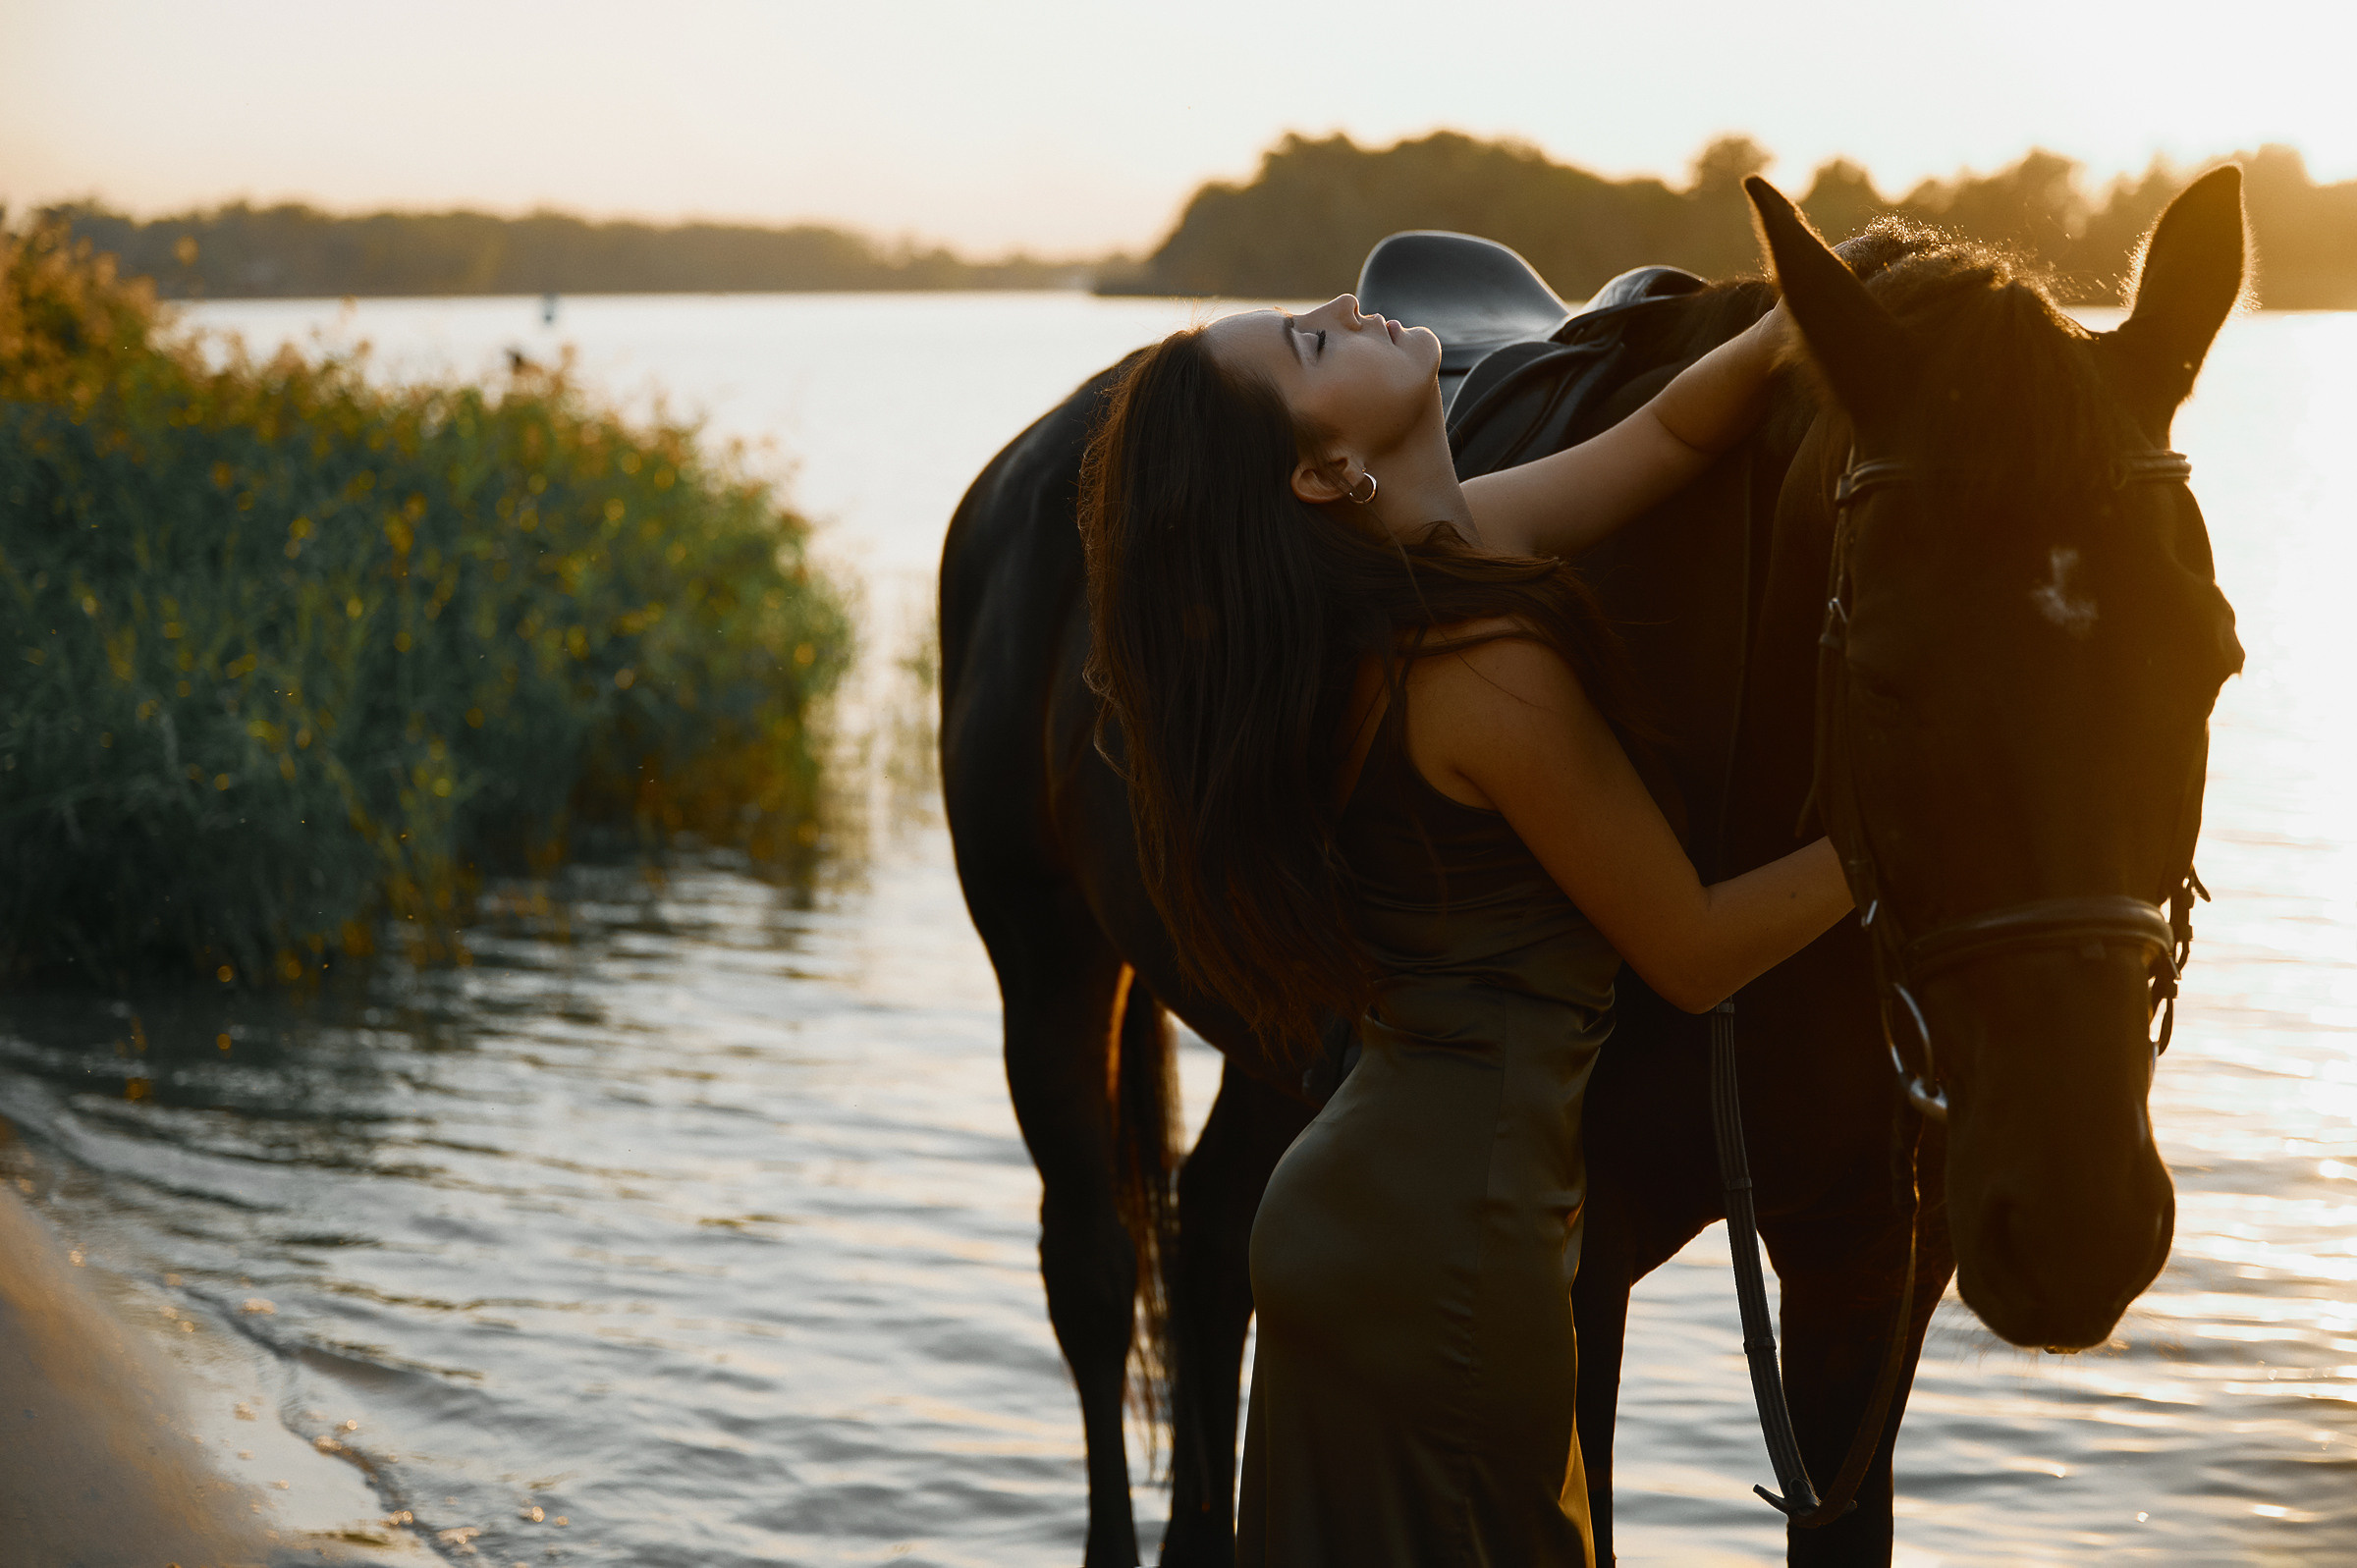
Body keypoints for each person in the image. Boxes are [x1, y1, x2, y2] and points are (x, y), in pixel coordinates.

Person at [1077, 292, 1853, 1566]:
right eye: (1311, 344)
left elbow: (1670, 433)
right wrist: (1905, 841)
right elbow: (1695, 947)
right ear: (1329, 471)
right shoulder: (1480, 668)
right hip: (1447, 1241)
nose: (1343, 305)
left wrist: (1804, 313)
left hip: (1374, 1217)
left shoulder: (1426, 574)